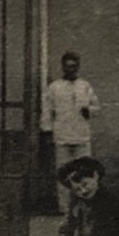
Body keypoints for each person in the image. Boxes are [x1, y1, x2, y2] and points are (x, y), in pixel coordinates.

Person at [41, 51, 99, 214]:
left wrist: (89, 111)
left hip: (82, 135)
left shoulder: (85, 86)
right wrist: (47, 131)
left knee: (85, 173)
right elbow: (47, 111)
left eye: (73, 66)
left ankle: (84, 205)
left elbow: (96, 107)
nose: (70, 69)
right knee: (64, 172)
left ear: (78, 67)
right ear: (63, 67)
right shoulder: (54, 88)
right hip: (62, 136)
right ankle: (65, 207)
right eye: (67, 66)